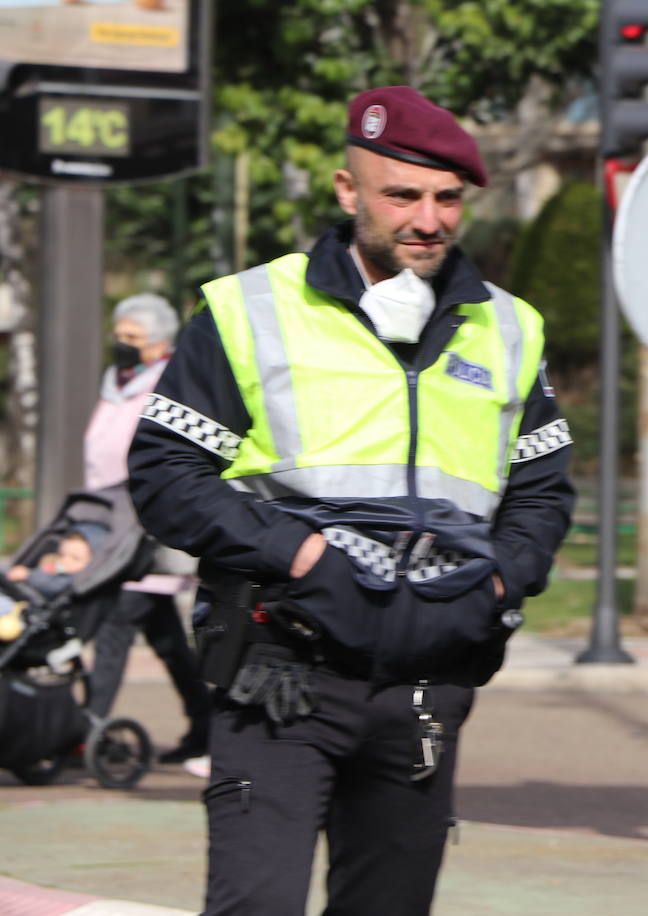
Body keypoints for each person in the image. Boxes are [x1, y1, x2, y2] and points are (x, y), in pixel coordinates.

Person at [126, 85, 574, 916]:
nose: (428, 220)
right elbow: (165, 476)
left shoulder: (510, 328)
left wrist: (501, 583)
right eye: (402, 194)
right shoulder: (249, 308)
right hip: (283, 674)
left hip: (426, 684)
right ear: (347, 191)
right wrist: (299, 556)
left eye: (447, 199)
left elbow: (541, 491)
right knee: (257, 905)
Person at [82, 292, 213, 766]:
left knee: (117, 625)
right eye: (119, 336)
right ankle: (206, 722)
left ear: (160, 345)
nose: (122, 345)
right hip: (110, 528)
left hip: (147, 532)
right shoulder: (116, 382)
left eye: (132, 338)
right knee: (166, 640)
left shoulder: (165, 383)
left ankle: (87, 729)